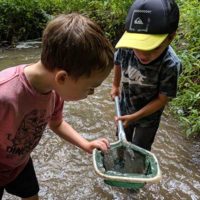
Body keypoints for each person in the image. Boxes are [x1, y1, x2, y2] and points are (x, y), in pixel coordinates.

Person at [0, 13, 114, 200]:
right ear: (62, 77)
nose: (91, 94)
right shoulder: (5, 93)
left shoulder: (54, 91)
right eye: (90, 88)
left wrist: (85, 143)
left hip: (20, 165)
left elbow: (57, 124)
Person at [111, 0, 182, 151]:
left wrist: (136, 116)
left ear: (171, 37)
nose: (143, 54)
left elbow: (162, 99)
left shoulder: (170, 64)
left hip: (148, 118)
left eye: (152, 48)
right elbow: (117, 61)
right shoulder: (127, 47)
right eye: (138, 46)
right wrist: (115, 85)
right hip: (125, 107)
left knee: (140, 149)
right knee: (121, 143)